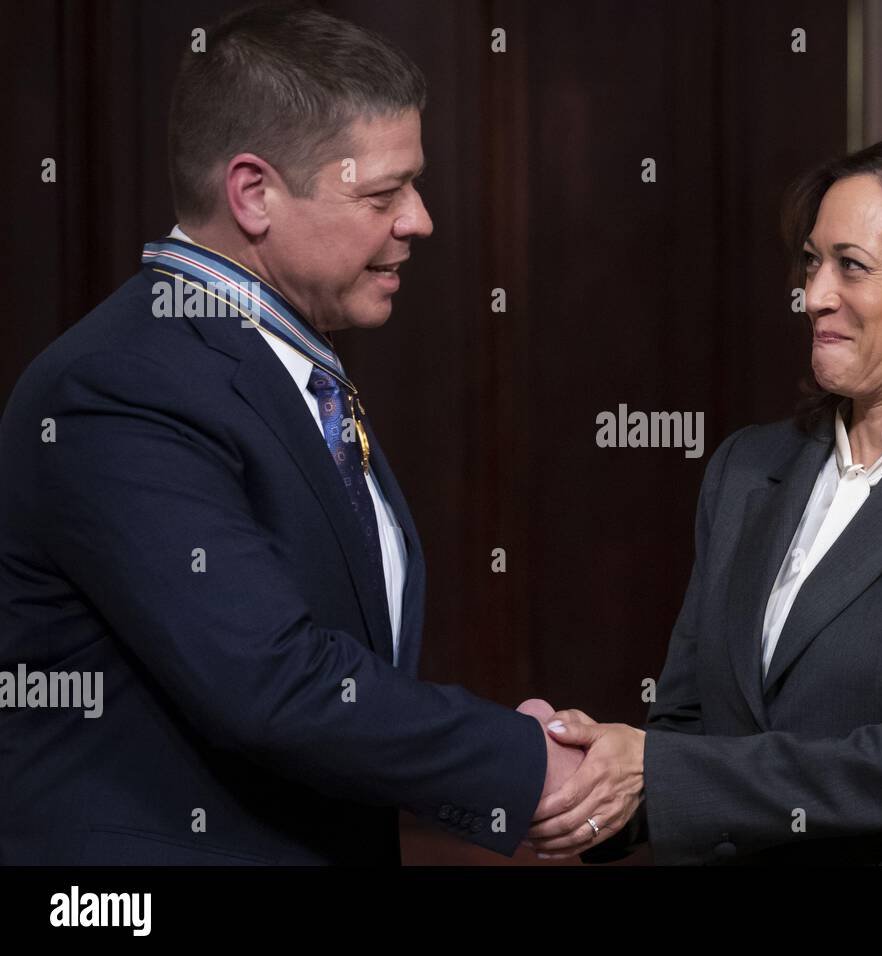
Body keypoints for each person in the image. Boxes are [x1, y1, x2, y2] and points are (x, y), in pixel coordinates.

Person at [0, 4, 583, 865]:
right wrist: (529, 763)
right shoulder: (119, 384)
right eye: (383, 193)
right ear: (254, 193)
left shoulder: (281, 361)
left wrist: (502, 766)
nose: (418, 220)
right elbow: (270, 682)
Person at [527, 128, 882, 865]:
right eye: (811, 261)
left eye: (851, 267)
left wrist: (658, 771)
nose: (812, 294)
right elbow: (686, 724)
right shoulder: (748, 467)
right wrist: (588, 782)